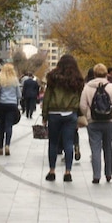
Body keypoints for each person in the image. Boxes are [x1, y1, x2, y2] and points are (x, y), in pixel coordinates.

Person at [42, 54, 85, 182]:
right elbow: (80, 99)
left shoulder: (52, 78)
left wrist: (45, 115)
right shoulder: (77, 79)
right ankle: (67, 172)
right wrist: (79, 114)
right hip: (70, 113)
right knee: (68, 143)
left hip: (54, 113)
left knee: (53, 143)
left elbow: (47, 97)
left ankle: (52, 170)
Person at [79, 63, 112, 184]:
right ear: (106, 73)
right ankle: (108, 174)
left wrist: (88, 115)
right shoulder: (111, 87)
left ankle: (96, 175)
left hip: (93, 121)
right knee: (108, 147)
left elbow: (82, 105)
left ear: (94, 73)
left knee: (95, 148)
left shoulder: (87, 87)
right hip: (109, 121)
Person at [0, 63, 22, 156]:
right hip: (12, 105)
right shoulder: (15, 80)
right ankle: (7, 145)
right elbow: (19, 95)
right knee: (9, 126)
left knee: (1, 126)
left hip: (1, 104)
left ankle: (0, 148)